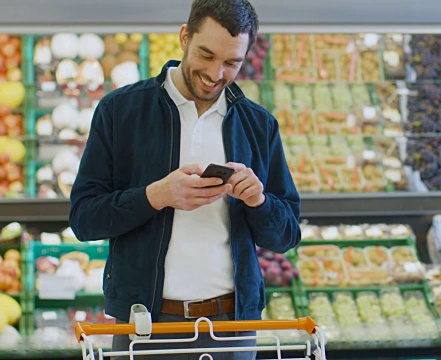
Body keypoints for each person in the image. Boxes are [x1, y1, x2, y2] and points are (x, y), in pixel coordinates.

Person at [68, 0, 301, 358]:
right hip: (145, 326)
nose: (215, 73)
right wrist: (156, 195)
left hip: (232, 328)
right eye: (206, 55)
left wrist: (260, 201)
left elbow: (286, 235)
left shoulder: (258, 124)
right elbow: (84, 219)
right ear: (184, 37)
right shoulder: (121, 111)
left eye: (231, 63)